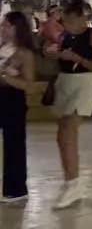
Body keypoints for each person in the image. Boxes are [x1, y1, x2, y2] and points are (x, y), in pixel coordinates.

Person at [52, 0, 92, 209]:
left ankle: (74, 184)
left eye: (70, 20)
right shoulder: (63, 35)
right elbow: (60, 58)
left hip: (84, 83)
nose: (66, 24)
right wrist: (55, 54)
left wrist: (77, 58)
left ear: (82, 18)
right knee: (61, 135)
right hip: (64, 82)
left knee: (69, 135)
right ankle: (69, 180)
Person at [0, 11, 37, 203]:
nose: (2, 29)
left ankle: (15, 189)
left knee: (14, 145)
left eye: (6, 25)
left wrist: (7, 78)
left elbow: (30, 86)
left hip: (12, 100)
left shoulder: (24, 54)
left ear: (16, 28)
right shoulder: (1, 48)